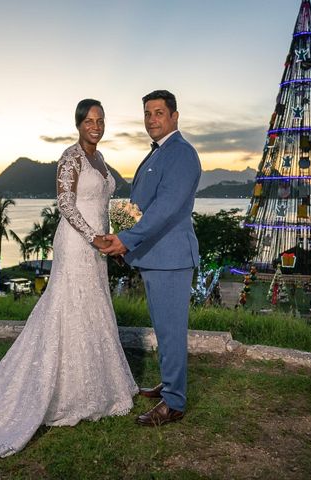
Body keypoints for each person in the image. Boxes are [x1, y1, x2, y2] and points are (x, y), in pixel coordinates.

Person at [0, 99, 138, 458]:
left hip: (100, 245)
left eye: (101, 120)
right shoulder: (70, 157)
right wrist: (94, 237)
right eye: (89, 120)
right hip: (77, 243)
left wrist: (115, 235)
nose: (96, 126)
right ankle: (59, 392)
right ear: (78, 124)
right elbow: (66, 205)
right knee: (67, 307)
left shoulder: (101, 161)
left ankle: (98, 387)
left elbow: (102, 204)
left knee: (94, 307)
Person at [101, 90, 201, 426]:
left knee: (171, 330)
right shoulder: (159, 153)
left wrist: (126, 241)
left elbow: (164, 210)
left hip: (171, 257)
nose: (152, 119)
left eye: (159, 113)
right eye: (147, 113)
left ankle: (174, 403)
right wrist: (125, 237)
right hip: (156, 256)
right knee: (163, 327)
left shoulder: (182, 154)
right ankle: (170, 384)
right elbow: (143, 207)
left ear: (174, 116)